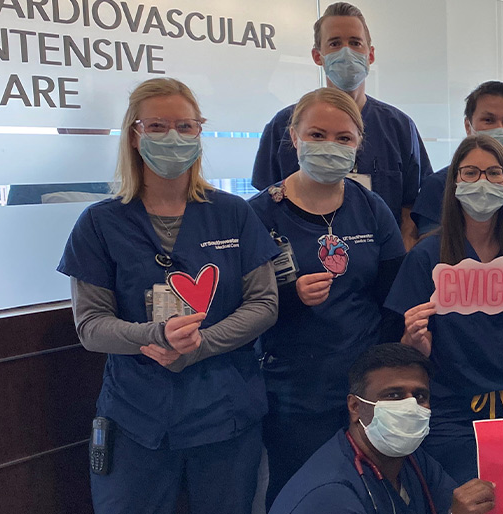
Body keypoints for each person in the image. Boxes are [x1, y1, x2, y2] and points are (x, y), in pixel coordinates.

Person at [58, 78, 279, 514]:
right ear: (134, 135)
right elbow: (91, 326)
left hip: (224, 412)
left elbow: (264, 303)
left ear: (200, 133)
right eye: (157, 126)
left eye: (185, 126)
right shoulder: (99, 223)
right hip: (136, 417)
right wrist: (156, 335)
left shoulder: (232, 213)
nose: (173, 138)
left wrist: (200, 345)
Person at [249, 87, 407, 507]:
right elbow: (241, 306)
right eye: (317, 135)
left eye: (343, 138)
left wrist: (383, 373)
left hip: (363, 385)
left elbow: (394, 297)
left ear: (358, 145)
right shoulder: (260, 214)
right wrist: (289, 296)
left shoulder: (371, 208)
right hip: (294, 391)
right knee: (299, 494)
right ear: (294, 137)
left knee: (370, 491)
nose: (330, 146)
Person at [384, 134, 503, 483]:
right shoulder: (426, 256)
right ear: (454, 182)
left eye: (493, 173)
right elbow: (402, 350)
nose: (482, 182)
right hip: (451, 416)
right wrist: (414, 343)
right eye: (470, 173)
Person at [253, 2, 433, 249]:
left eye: (355, 43)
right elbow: (266, 206)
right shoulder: (284, 126)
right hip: (302, 263)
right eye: (335, 43)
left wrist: (399, 259)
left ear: (370, 54)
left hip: (381, 259)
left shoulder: (399, 127)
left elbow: (412, 207)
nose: (346, 52)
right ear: (318, 56)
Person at [269, 343, 498, 514]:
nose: (410, 406)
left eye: (420, 396)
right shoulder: (329, 496)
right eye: (394, 395)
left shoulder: (413, 461)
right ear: (355, 407)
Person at [411, 81, 503, 238]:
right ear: (468, 125)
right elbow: (432, 246)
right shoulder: (439, 185)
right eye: (488, 120)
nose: (500, 129)